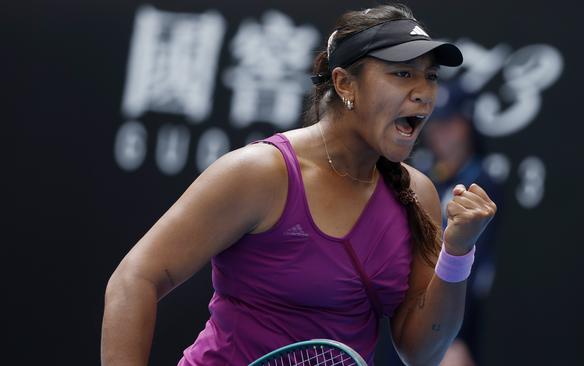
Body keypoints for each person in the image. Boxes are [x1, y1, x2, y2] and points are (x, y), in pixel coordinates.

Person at [101, 4, 497, 366]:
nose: (423, 93)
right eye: (402, 73)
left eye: (430, 77)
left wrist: (457, 252)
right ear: (344, 85)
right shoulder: (260, 173)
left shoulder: (417, 194)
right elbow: (134, 279)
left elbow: (421, 352)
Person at [424, 80, 504, 366]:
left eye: (450, 124)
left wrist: (452, 336)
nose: (441, 135)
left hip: (463, 323)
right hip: (420, 321)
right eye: (435, 125)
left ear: (467, 124)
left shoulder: (486, 181)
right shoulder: (425, 178)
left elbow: (476, 261)